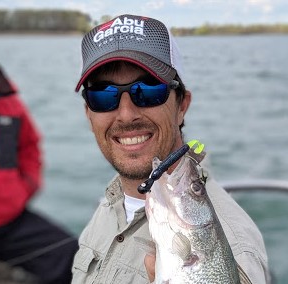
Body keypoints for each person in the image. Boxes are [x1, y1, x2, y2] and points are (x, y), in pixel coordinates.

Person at [72, 14, 271, 284]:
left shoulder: (235, 250)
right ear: (88, 112)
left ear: (181, 105)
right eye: (102, 95)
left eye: (148, 90)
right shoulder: (116, 197)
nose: (126, 114)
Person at [0, 59, 78, 283]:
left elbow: (30, 146)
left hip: (10, 221)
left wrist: (26, 186)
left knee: (75, 258)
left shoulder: (6, 98)